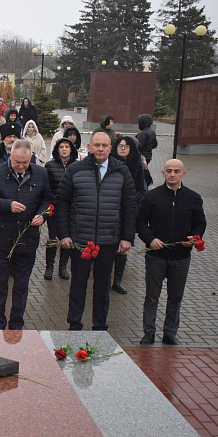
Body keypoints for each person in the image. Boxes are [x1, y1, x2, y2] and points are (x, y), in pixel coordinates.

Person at [55, 131, 137, 331]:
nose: (100, 149)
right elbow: (62, 203)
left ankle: (100, 326)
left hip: (108, 241)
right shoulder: (75, 170)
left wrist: (127, 237)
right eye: (97, 145)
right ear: (89, 147)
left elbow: (130, 206)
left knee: (102, 287)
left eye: (105, 145)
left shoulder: (121, 171)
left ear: (111, 148)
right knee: (78, 285)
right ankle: (74, 324)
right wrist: (64, 234)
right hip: (80, 240)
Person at [0, 140, 51, 330]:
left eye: (25, 163)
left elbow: (47, 200)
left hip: (27, 239)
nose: (20, 166)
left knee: (21, 285)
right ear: (10, 155)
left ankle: (17, 325)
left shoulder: (41, 174)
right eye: (17, 162)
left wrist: (42, 215)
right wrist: (7, 205)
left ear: (31, 158)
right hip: (2, 239)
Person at [137, 159, 206, 345]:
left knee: (175, 297)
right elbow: (140, 223)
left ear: (183, 174)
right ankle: (148, 333)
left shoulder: (193, 198)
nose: (172, 174)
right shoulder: (152, 197)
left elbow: (200, 223)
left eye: (176, 171)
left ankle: (169, 333)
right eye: (169, 171)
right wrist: (150, 239)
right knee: (152, 296)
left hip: (181, 257)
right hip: (156, 256)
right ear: (163, 173)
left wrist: (195, 236)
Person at [109, 135, 147, 295]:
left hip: (126, 210)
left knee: (122, 246)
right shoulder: (108, 164)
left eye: (126, 146)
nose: (123, 148)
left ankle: (117, 280)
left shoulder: (137, 166)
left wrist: (130, 197)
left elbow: (142, 190)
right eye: (120, 145)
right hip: (109, 209)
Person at [44, 137, 79, 280]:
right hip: (54, 207)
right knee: (53, 237)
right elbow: (46, 187)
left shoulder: (77, 166)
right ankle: (49, 267)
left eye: (67, 146)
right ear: (57, 149)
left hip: (71, 209)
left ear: (71, 149)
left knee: (67, 237)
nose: (64, 149)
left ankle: (63, 266)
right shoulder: (50, 165)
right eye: (61, 147)